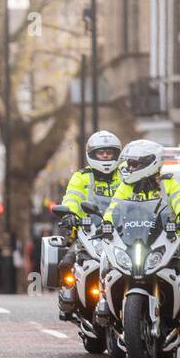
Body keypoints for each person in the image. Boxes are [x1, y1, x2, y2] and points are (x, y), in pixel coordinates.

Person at [102, 139, 180, 307]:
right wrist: (106, 224)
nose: (129, 168)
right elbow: (113, 208)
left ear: (149, 163)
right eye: (129, 164)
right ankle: (105, 304)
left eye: (133, 164)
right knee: (106, 265)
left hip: (165, 239)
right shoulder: (126, 187)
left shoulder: (167, 183)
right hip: (133, 240)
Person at [56, 130, 123, 318]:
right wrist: (69, 214)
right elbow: (72, 198)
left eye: (109, 153)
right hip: (89, 232)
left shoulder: (125, 177)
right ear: (92, 155)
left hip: (120, 233)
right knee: (67, 262)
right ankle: (69, 294)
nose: (105, 156)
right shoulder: (81, 177)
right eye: (101, 153)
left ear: (117, 154)